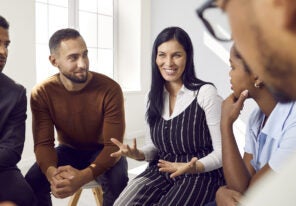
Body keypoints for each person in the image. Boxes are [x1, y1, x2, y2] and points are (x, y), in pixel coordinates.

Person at [110, 26, 225, 206]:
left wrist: (196, 167)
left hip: (198, 174)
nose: (168, 62)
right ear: (155, 57)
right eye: (162, 54)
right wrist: (138, 154)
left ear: (188, 57)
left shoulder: (205, 93)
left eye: (176, 55)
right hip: (161, 170)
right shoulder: (153, 95)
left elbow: (222, 152)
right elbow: (153, 148)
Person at [197, 0, 296, 205]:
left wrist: (223, 193)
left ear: (258, 75)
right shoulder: (257, 118)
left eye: (233, 67)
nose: (229, 74)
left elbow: (250, 194)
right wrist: (226, 124)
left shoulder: (293, 121)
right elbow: (240, 186)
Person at [24, 28, 128, 206]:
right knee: (32, 180)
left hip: (103, 150)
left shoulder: (110, 89)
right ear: (54, 61)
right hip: (68, 150)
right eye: (73, 57)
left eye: (85, 55)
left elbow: (113, 146)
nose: (83, 64)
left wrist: (82, 178)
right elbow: (43, 144)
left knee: (117, 180)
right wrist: (52, 176)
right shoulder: (42, 92)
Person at [0, 15, 36, 206]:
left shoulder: (16, 92)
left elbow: (11, 150)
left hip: (2, 168)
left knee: (22, 196)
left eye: (6, 45)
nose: (3, 51)